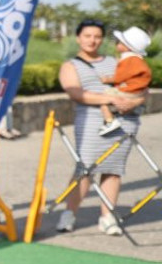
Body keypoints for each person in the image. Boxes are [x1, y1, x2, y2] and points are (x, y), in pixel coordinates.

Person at [56, 19, 145, 235]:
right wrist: (109, 99)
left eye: (97, 36)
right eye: (87, 36)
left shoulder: (117, 63)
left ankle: (107, 217)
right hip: (90, 122)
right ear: (78, 38)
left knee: (114, 170)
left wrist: (132, 102)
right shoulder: (70, 66)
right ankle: (69, 213)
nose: (92, 40)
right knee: (85, 169)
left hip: (125, 120)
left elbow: (141, 88)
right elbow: (76, 93)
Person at [97, 26, 152, 136]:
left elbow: (121, 76)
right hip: (137, 91)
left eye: (120, 42)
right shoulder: (137, 59)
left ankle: (110, 121)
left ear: (128, 47)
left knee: (103, 99)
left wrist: (107, 79)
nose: (117, 44)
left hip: (129, 90)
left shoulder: (128, 60)